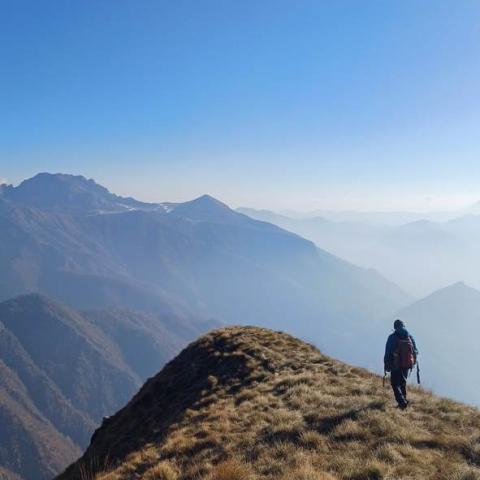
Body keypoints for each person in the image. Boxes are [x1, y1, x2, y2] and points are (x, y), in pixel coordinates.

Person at [384, 319, 418, 410]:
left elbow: (388, 352)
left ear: (395, 327)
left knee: (395, 384)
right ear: (403, 326)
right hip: (407, 364)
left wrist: (386, 365)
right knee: (403, 382)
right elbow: (416, 351)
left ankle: (402, 403)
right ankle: (404, 400)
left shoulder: (392, 337)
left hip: (396, 364)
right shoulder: (410, 337)